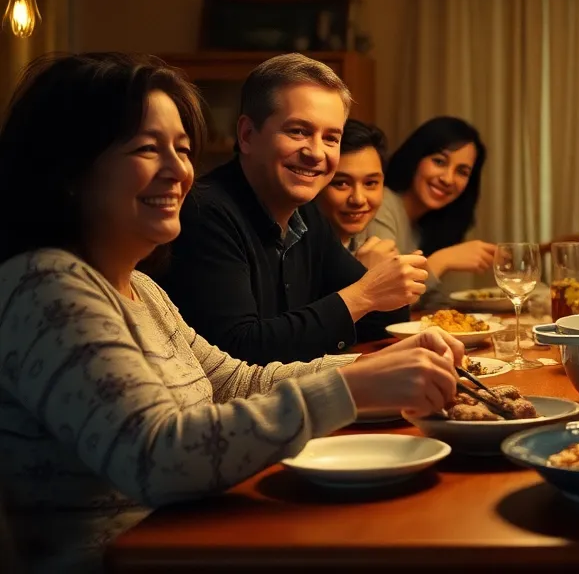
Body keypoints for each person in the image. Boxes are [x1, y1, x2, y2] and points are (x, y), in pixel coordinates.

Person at [0, 53, 464, 573]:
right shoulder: (48, 288)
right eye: (147, 149)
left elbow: (234, 382)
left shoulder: (142, 289)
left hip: (203, 538)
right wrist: (351, 390)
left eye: (181, 148)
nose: (180, 170)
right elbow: (157, 457)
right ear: (70, 169)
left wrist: (372, 371)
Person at [160, 54, 429, 365]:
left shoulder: (306, 214)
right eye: (298, 131)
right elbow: (238, 352)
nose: (316, 152)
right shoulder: (205, 211)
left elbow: (383, 317)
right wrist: (365, 293)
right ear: (247, 135)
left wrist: (381, 287)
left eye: (331, 138)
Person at [369, 116, 497, 312]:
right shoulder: (382, 204)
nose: (448, 179)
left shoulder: (427, 224)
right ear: (415, 157)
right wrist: (442, 260)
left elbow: (432, 304)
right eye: (439, 162)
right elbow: (385, 300)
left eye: (462, 172)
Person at [317, 118, 400, 271]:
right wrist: (362, 274)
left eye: (370, 183)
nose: (358, 199)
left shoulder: (363, 245)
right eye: (341, 183)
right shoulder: (296, 253)